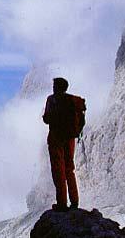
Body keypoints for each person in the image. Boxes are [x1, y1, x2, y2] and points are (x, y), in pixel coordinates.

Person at [42, 77, 79, 212]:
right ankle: (74, 201)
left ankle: (62, 203)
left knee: (59, 170)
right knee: (69, 169)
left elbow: (47, 118)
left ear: (57, 87)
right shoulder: (73, 101)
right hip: (70, 139)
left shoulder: (52, 99)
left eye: (54, 86)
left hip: (56, 138)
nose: (53, 88)